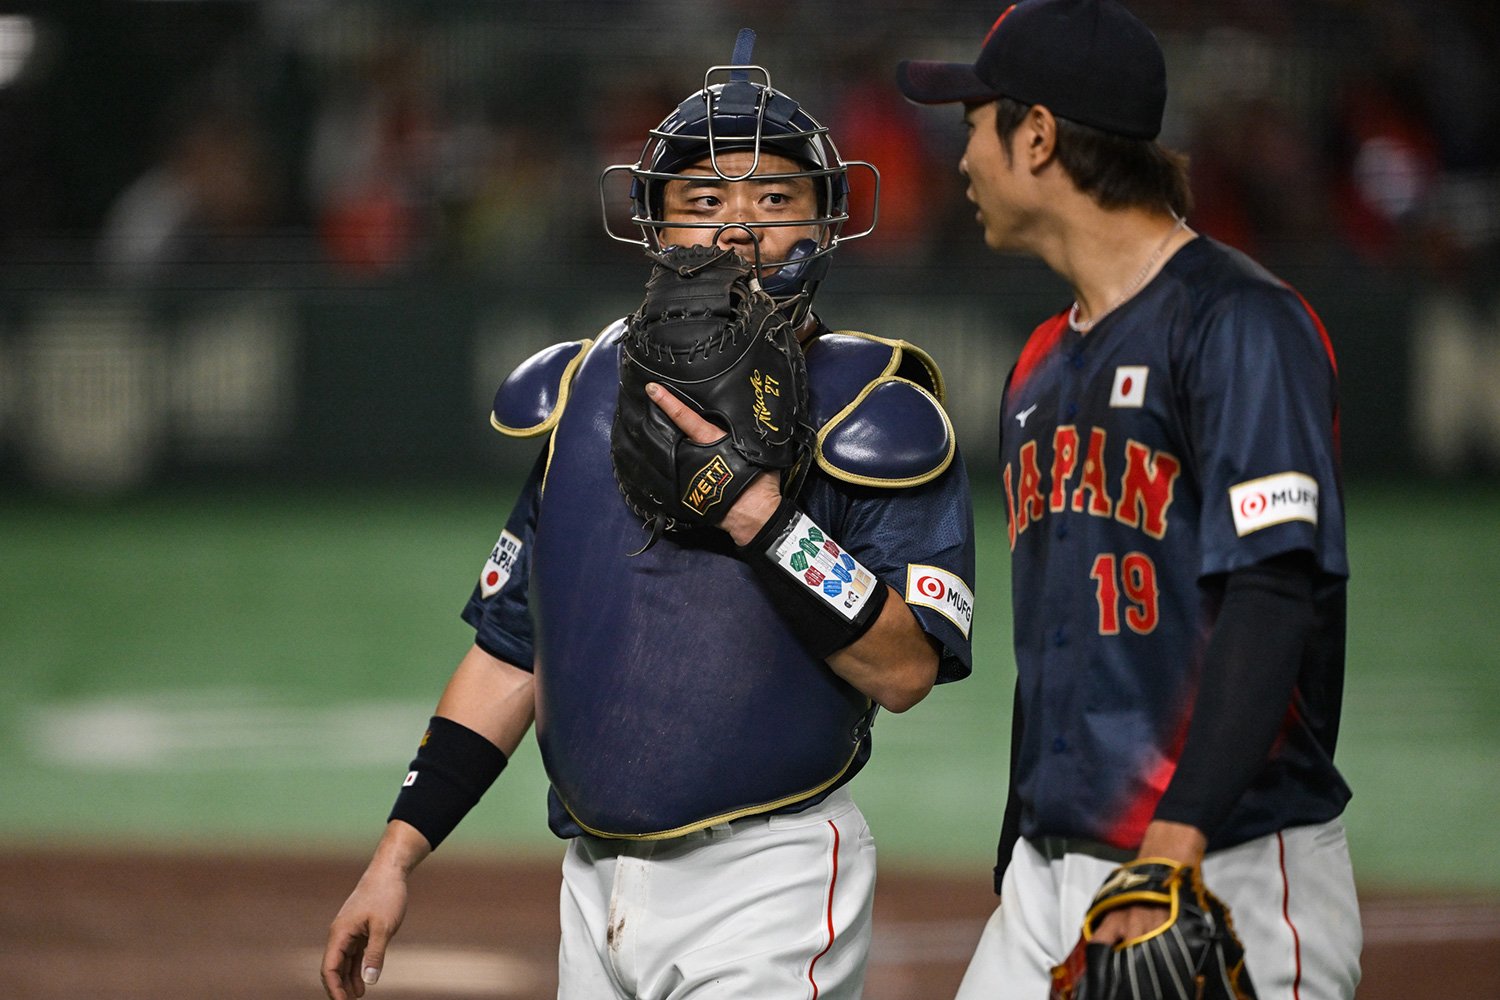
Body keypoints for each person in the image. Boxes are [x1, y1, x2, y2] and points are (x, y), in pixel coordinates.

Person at [321, 29, 976, 1000]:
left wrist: (767, 523)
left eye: (774, 199)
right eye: (704, 201)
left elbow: (907, 667)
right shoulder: (582, 391)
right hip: (594, 885)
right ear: (654, 224)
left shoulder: (870, 407)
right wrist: (395, 856)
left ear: (828, 222)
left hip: (770, 880)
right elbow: (508, 653)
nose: (739, 229)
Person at [894, 2, 1361, 998]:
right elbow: (1057, 640)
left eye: (972, 124)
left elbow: (1275, 593)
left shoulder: (1239, 324)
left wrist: (1174, 845)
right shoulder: (1038, 363)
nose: (961, 158)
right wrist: (1019, 848)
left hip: (1220, 864)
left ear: (1037, 135)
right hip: (1053, 876)